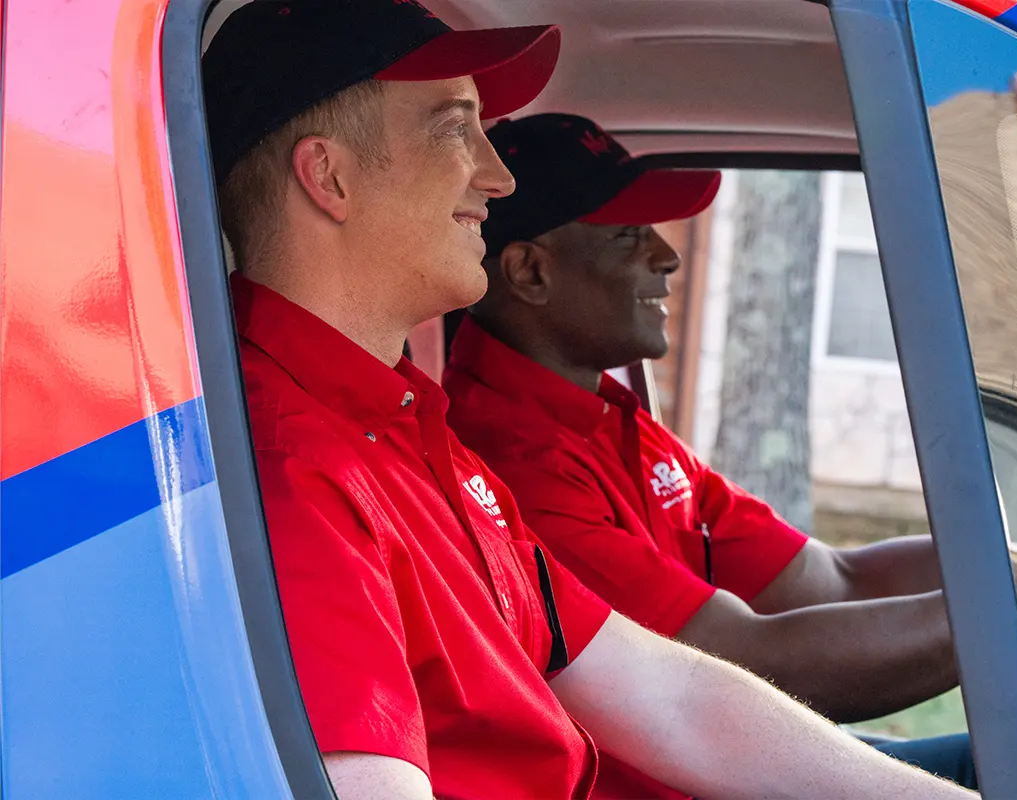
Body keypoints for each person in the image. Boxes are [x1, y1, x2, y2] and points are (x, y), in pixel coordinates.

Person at [205, 3, 977, 798]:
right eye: (452, 128)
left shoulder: (410, 432)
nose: (496, 178)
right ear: (328, 177)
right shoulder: (284, 472)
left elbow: (676, 699)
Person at [443, 113, 976, 795]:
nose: (666, 256)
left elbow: (834, 579)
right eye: (630, 237)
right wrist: (1014, 623)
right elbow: (745, 664)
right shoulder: (510, 464)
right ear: (530, 271)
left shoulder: (608, 419)